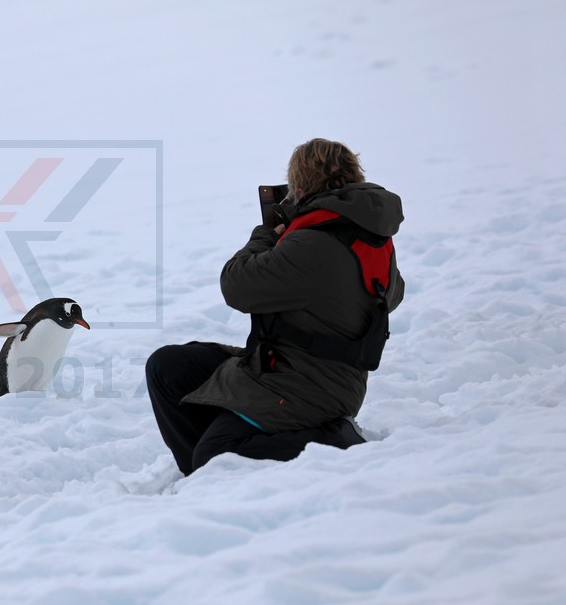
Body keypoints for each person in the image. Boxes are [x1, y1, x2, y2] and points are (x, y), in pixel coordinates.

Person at [147, 138, 405, 475]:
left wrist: (266, 234)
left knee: (217, 454)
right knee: (168, 366)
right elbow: (393, 295)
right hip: (290, 366)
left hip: (312, 387)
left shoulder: (313, 240)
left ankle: (333, 439)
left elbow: (236, 285)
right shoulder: (371, 236)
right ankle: (203, 479)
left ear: (301, 183)